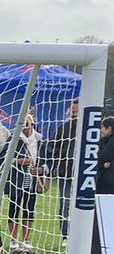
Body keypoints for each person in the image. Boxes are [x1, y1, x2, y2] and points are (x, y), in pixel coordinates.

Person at [5, 112, 46, 249]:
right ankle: (13, 239)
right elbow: (2, 158)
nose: (26, 126)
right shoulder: (13, 139)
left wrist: (41, 169)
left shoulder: (40, 140)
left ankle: (26, 239)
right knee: (14, 209)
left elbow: (49, 158)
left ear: (33, 124)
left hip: (32, 180)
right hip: (16, 180)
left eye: (28, 123)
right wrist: (17, 161)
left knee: (29, 209)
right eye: (23, 123)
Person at [47, 98, 80, 242]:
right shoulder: (63, 128)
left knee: (81, 204)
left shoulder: (88, 129)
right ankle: (65, 236)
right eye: (72, 110)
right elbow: (51, 146)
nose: (74, 113)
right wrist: (58, 159)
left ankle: (79, 233)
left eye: (76, 111)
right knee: (65, 204)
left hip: (82, 175)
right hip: (65, 173)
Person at [89, 115, 114, 254]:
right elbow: (100, 160)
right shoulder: (104, 142)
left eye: (102, 128)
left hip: (107, 190)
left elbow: (103, 157)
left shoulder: (110, 143)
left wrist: (106, 163)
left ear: (109, 128)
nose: (100, 131)